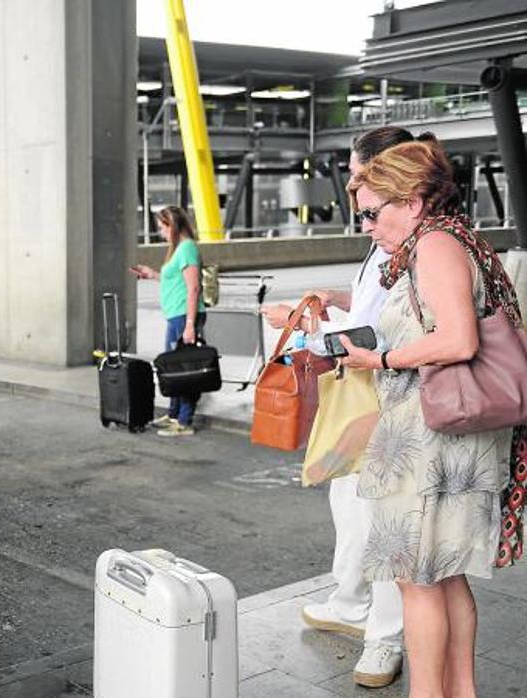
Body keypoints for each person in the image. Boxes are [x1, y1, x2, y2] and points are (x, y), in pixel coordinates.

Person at [340, 138, 522, 698]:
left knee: (418, 581)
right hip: (445, 438)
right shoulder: (448, 240)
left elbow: (459, 339)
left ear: (414, 202)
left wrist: (382, 359)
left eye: (373, 211)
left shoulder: (435, 246)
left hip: (432, 441)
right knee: (444, 576)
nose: (366, 226)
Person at [260, 126, 421, 688]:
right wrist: (335, 301)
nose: (353, 197)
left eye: (359, 181)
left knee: (376, 516)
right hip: (371, 393)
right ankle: (354, 606)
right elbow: (376, 310)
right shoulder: (387, 237)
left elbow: (381, 334)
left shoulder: (415, 244)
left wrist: (305, 324)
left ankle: (384, 638)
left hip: (388, 397)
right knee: (348, 500)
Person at [131, 205, 206, 437]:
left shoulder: (187, 249)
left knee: (184, 368)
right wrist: (151, 274)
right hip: (176, 316)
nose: (161, 232)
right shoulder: (178, 250)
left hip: (185, 316)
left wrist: (190, 325)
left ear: (173, 226)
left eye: (163, 227)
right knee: (172, 367)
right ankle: (174, 414)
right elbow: (174, 280)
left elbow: (193, 287)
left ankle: (184, 421)